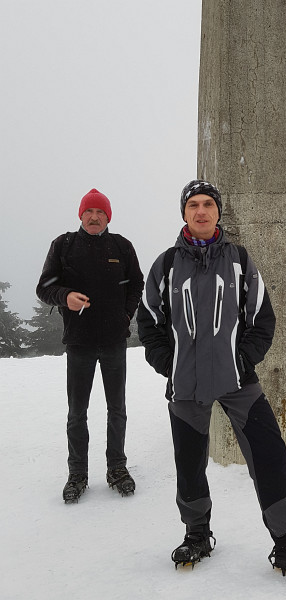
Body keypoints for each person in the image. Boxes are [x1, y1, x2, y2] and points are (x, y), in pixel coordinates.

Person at [137, 180, 286, 587]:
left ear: (218, 212)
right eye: (193, 205)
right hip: (185, 386)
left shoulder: (240, 260)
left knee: (270, 456)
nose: (201, 211)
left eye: (208, 204)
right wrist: (168, 364)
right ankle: (196, 534)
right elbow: (149, 322)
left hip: (238, 381)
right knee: (189, 463)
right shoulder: (165, 265)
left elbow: (262, 318)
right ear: (184, 213)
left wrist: (241, 360)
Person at [36, 188, 144, 502]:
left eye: (100, 212)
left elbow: (136, 283)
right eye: (89, 212)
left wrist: (126, 315)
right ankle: (77, 474)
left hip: (114, 342)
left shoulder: (121, 246)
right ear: (81, 215)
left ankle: (117, 468)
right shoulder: (64, 245)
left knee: (117, 410)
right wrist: (65, 296)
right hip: (79, 342)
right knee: (76, 413)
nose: (94, 217)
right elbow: (44, 287)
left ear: (108, 217)